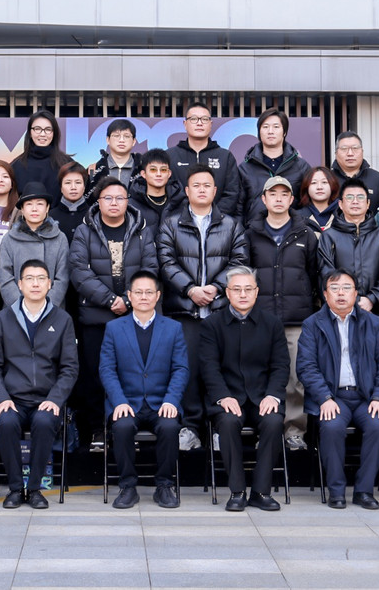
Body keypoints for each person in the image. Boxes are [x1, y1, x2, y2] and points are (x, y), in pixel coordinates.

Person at [157, 164, 249, 450]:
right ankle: (191, 427)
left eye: (206, 185)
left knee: (223, 369)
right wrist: (190, 289)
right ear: (187, 191)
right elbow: (166, 261)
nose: (201, 190)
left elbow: (239, 259)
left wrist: (216, 288)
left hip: (221, 310)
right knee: (188, 370)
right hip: (184, 311)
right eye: (196, 185)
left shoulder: (231, 225)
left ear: (215, 191)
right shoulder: (171, 223)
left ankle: (221, 426)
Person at [296, 270, 379, 510]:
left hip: (367, 397)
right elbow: (306, 366)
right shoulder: (312, 324)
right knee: (331, 427)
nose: (340, 293)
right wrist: (324, 398)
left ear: (356, 294)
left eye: (346, 288)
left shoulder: (374, 323)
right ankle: (336, 491)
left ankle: (364, 491)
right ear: (325, 295)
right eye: (334, 288)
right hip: (333, 397)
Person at [68, 176, 156, 449]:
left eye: (120, 198)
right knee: (95, 375)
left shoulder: (141, 230)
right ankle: (98, 429)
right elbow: (79, 272)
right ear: (98, 202)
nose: (114, 203)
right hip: (96, 317)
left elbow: (150, 268)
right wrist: (110, 300)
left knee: (130, 374)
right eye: (108, 198)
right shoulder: (84, 231)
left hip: (133, 316)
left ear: (128, 202)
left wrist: (129, 301)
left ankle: (126, 426)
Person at [0, 260, 79, 509]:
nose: (35, 284)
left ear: (49, 284)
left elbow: (70, 368)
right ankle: (16, 489)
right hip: (13, 398)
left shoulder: (63, 319)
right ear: (19, 284)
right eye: (29, 278)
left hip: (46, 399)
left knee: (45, 421)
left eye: (41, 279)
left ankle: (35, 489)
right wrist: (2, 398)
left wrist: (55, 399)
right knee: (5, 422)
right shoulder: (3, 318)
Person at [201, 266, 289, 512]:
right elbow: (209, 367)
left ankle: (261, 492)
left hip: (262, 397)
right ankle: (237, 492)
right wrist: (222, 396)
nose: (243, 294)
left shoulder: (272, 323)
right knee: (228, 422)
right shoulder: (212, 324)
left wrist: (272, 395)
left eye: (248, 289)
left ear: (256, 292)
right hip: (228, 397)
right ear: (227, 293)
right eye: (237, 289)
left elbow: (281, 365)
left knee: (273, 422)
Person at [99, 272, 189, 510]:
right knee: (122, 427)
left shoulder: (173, 328)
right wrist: (119, 401)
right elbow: (107, 369)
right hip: (127, 402)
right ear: (129, 296)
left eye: (149, 292)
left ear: (158, 296)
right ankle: (127, 486)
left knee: (169, 427)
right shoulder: (114, 328)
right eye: (138, 292)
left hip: (162, 403)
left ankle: (164, 485)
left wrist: (171, 400)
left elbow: (180, 369)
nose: (144, 297)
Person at [245, 175, 319, 451]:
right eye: (272, 194)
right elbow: (245, 275)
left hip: (296, 318)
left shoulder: (305, 233)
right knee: (259, 377)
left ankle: (294, 431)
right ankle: (265, 429)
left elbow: (314, 274)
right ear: (263, 199)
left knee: (295, 379)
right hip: (260, 319)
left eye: (284, 194)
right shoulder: (251, 233)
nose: (278, 198)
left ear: (291, 199)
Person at [318, 178, 379, 317]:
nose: (355, 201)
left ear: (368, 204)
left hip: (377, 312)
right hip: (339, 312)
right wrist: (352, 301)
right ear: (341, 204)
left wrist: (371, 299)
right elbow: (326, 275)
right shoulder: (328, 237)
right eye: (349, 197)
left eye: (360, 197)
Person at [0, 183, 70, 309]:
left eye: (40, 204)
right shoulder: (9, 239)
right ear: (22, 209)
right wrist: (21, 307)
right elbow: (5, 277)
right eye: (29, 204)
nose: (34, 209)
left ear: (47, 208)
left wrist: (46, 307)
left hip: (52, 310)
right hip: (16, 310)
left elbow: (62, 278)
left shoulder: (60, 238)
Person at [237, 107, 312, 218]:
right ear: (259, 132)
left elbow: (309, 203)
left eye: (276, 127)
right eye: (265, 127)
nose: (270, 131)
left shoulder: (301, 166)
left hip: (292, 227)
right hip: (253, 227)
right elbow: (238, 208)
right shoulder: (245, 168)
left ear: (284, 132)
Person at [9, 110, 68, 204]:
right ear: (30, 132)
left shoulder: (67, 164)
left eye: (48, 129)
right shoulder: (16, 166)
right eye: (37, 129)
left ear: (54, 133)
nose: (42, 134)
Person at [331, 131, 379, 210]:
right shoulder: (327, 180)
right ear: (336, 153)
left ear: (362, 151)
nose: (350, 153)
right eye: (344, 149)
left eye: (355, 148)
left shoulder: (378, 180)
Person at [128, 148, 181, 234]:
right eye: (153, 170)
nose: (158, 174)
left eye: (163, 170)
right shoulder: (131, 205)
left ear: (169, 174)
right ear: (143, 174)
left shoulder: (180, 203)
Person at [87, 118, 142, 195]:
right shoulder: (95, 169)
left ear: (134, 141)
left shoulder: (143, 169)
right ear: (108, 140)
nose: (121, 140)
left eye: (126, 136)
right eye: (116, 136)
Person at [51, 162, 90, 241]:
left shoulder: (94, 215)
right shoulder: (50, 217)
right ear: (61, 187)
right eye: (68, 183)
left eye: (78, 182)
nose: (73, 187)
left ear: (84, 187)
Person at [297, 166, 339, 233]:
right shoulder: (296, 217)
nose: (319, 187)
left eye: (324, 182)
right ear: (306, 187)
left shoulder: (342, 215)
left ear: (333, 185)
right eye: (314, 183)